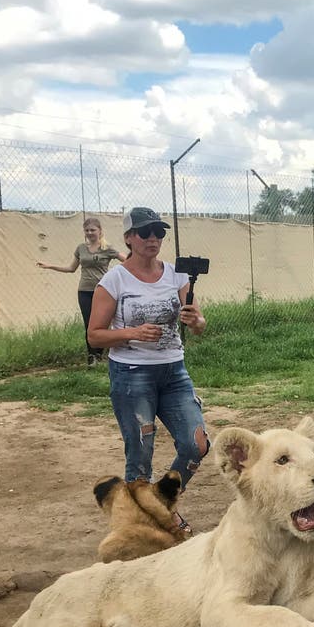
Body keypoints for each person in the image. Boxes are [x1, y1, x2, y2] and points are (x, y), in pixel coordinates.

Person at [87, 207, 209, 501]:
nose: (152, 238)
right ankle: (141, 520)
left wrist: (197, 322)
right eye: (144, 232)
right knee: (140, 455)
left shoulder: (177, 275)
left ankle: (161, 502)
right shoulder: (114, 280)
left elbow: (198, 324)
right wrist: (132, 333)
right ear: (129, 238)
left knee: (197, 445)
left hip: (174, 373)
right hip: (132, 375)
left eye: (159, 233)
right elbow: (94, 335)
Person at [36, 216, 124, 365]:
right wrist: (50, 266)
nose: (90, 233)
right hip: (84, 291)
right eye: (87, 230)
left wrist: (117, 276)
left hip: (103, 291)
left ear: (100, 231)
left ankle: (100, 353)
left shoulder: (107, 248)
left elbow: (127, 260)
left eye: (93, 230)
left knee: (103, 324)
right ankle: (92, 357)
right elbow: (71, 268)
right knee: (89, 324)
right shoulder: (81, 248)